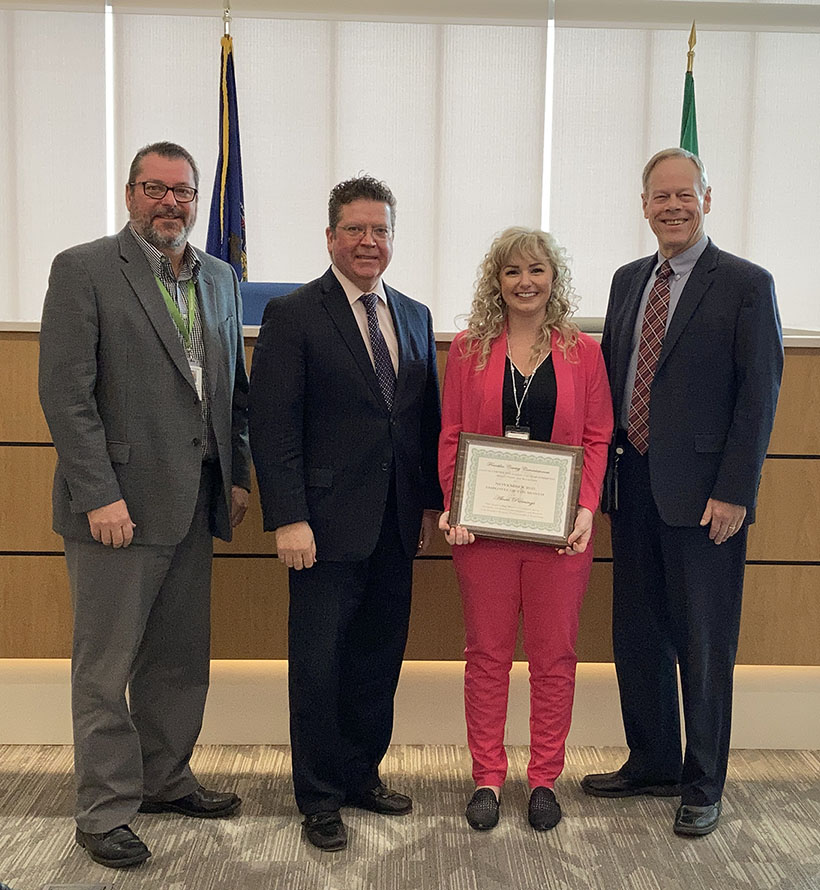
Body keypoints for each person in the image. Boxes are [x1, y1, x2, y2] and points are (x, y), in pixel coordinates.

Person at [38, 142, 251, 869]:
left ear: (196, 200)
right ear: (130, 193)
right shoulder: (85, 269)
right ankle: (103, 811)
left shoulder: (220, 278)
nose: (171, 203)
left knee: (179, 660)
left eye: (183, 192)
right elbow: (66, 396)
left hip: (194, 500)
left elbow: (231, 391)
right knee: (106, 667)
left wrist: (239, 475)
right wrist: (99, 493)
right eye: (155, 189)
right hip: (116, 509)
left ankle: (165, 779)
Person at [582, 148, 783, 837]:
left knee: (703, 643)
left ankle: (702, 782)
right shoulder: (627, 280)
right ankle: (652, 761)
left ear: (707, 198)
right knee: (636, 634)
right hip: (630, 485)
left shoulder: (747, 284)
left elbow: (758, 398)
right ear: (643, 205)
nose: (672, 206)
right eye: (659, 196)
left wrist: (736, 492)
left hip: (705, 499)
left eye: (684, 194)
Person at [248, 175, 442, 852]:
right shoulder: (294, 314)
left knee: (377, 658)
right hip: (323, 527)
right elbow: (274, 427)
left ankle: (362, 775)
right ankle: (320, 797)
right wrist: (289, 518)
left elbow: (423, 423)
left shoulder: (414, 315)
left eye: (380, 230)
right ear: (330, 236)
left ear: (393, 237)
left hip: (395, 524)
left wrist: (428, 506)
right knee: (319, 663)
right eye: (355, 229)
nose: (368, 241)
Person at [438, 227, 613, 831]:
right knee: (485, 655)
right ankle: (487, 776)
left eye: (536, 270)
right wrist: (455, 504)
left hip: (560, 535)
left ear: (553, 279)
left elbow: (596, 438)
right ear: (497, 282)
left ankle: (544, 778)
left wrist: (585, 508)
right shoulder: (468, 349)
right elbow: (453, 437)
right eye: (512, 272)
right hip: (483, 534)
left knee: (554, 657)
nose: (525, 282)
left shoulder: (583, 352)